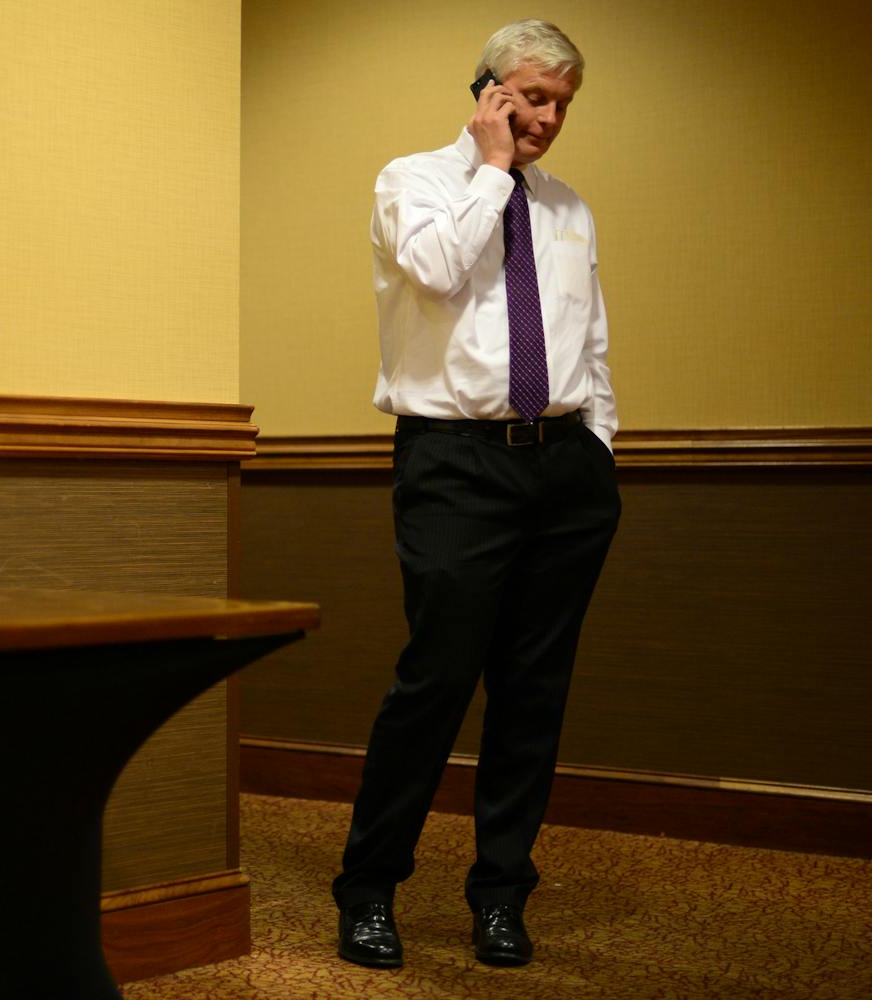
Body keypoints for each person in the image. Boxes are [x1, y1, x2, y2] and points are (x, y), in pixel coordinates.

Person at [333, 19, 621, 970]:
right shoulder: (411, 182)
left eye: (561, 106)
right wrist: (493, 167)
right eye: (533, 98)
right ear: (489, 92)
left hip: (564, 470)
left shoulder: (570, 209)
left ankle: (501, 893)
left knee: (534, 693)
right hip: (455, 466)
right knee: (436, 681)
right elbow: (437, 267)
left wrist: (600, 448)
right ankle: (369, 888)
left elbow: (590, 343)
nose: (547, 119)